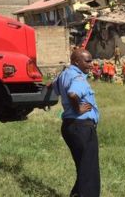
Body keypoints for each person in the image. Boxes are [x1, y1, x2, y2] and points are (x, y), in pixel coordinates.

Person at [51, 49, 100, 197]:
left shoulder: (64, 74)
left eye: (91, 60)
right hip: (82, 127)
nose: (90, 64)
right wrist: (77, 107)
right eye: (87, 61)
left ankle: (77, 194)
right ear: (76, 62)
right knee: (90, 170)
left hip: (69, 126)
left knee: (83, 166)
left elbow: (52, 86)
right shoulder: (78, 78)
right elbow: (73, 93)